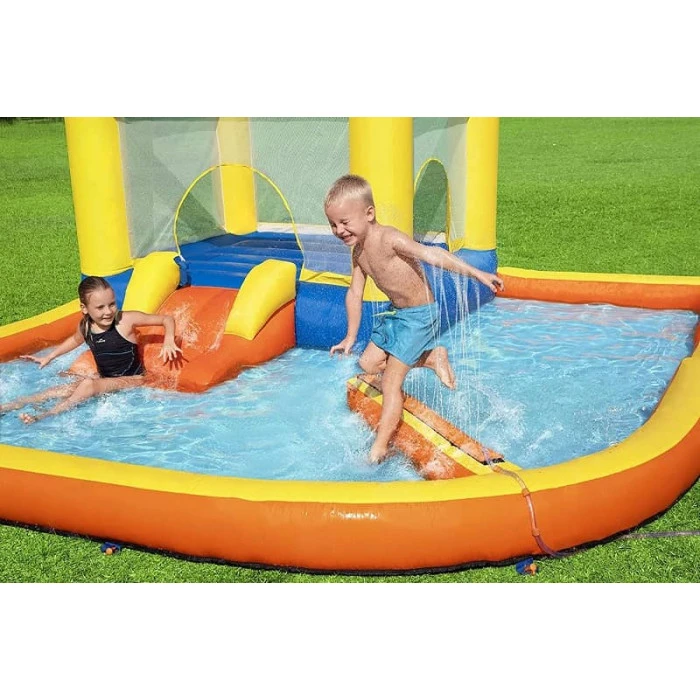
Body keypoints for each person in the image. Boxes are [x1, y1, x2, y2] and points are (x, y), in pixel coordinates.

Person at [327, 174, 505, 463]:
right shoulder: (358, 252)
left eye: (344, 222)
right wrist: (350, 336)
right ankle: (432, 357)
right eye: (333, 224)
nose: (339, 230)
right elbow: (354, 293)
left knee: (390, 381)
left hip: (421, 316)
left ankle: (380, 447)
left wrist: (477, 274)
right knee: (368, 364)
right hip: (399, 314)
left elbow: (432, 255)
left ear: (369, 214)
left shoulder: (389, 238)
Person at [0, 276, 182, 423]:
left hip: (133, 380)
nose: (108, 311)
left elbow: (166, 320)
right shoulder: (86, 326)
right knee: (57, 390)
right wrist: (50, 356)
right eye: (100, 307)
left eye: (112, 304)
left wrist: (168, 340)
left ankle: (45, 416)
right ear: (84, 308)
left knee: (87, 384)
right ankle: (9, 407)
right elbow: (74, 340)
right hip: (105, 379)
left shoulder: (126, 320)